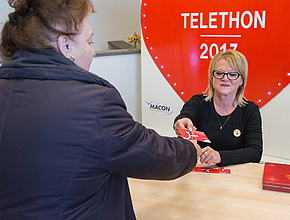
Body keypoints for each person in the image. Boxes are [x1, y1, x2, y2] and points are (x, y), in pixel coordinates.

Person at [0, 0, 202, 219]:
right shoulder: (93, 103)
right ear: (65, 45)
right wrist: (190, 150)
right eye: (89, 41)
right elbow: (150, 153)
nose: (93, 52)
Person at [174, 50, 263, 167]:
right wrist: (181, 123)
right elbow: (184, 116)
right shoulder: (198, 102)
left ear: (241, 80)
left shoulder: (250, 110)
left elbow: (255, 152)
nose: (225, 78)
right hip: (199, 172)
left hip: (235, 175)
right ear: (212, 77)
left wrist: (219, 156)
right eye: (219, 73)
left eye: (232, 74)